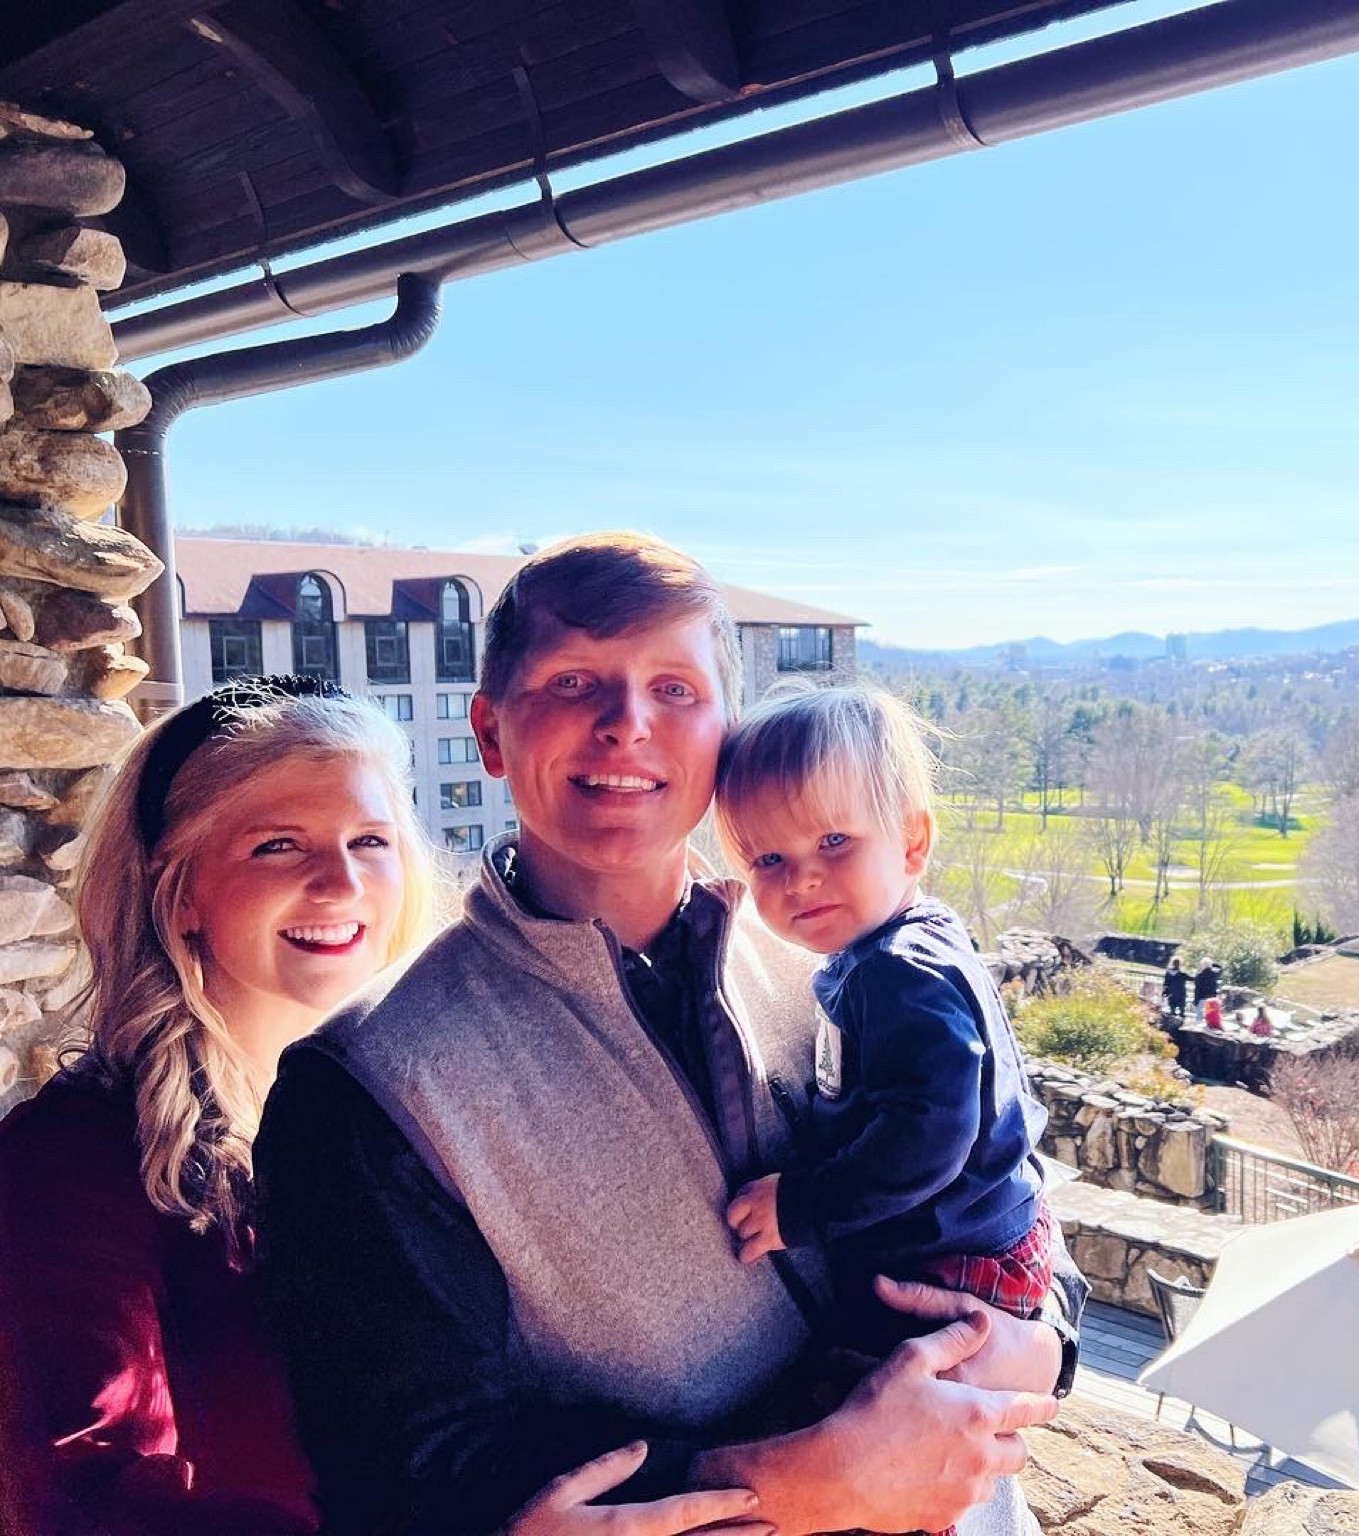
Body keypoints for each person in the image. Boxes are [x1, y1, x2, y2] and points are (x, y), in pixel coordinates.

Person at [255, 533, 1080, 1536]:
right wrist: (784, 1479)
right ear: (490, 731)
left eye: (675, 689)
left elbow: (1007, 1181)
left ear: (723, 732)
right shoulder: (371, 1082)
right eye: (573, 682)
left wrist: (1045, 1344)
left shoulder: (838, 955)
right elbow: (409, 1469)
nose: (626, 724)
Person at [0, 679, 439, 1534]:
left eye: (370, 840)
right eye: (278, 845)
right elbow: (84, 1496)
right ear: (181, 891)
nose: (339, 881)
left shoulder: (431, 1120)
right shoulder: (71, 1161)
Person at [717, 686, 1053, 1363]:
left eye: (834, 841)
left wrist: (803, 1207)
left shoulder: (899, 972)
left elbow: (930, 1132)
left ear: (912, 842)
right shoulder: (894, 944)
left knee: (868, 1387)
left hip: (951, 1258)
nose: (801, 879)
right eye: (769, 860)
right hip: (975, 1233)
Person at [1162, 956, 1189, 1020]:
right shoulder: (1182, 973)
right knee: (1181, 1010)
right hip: (1180, 994)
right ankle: (1180, 1020)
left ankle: (1173, 1021)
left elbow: (1166, 983)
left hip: (1172, 993)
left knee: (1173, 1010)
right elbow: (1191, 978)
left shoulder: (1169, 973)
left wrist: (1164, 992)